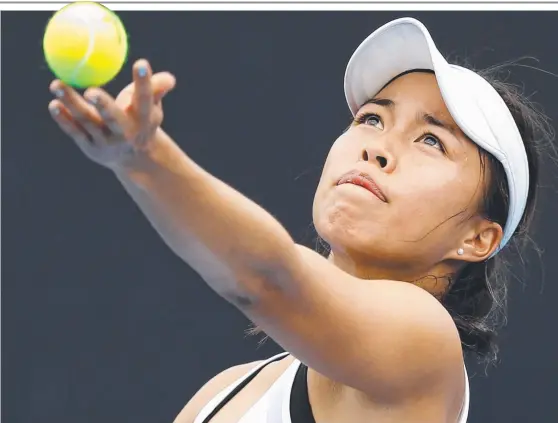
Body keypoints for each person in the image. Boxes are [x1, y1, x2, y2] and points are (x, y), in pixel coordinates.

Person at [47, 17, 552, 423]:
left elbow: (267, 280)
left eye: (430, 141)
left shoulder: (425, 348)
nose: (377, 148)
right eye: (372, 118)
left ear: (477, 238)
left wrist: (147, 159)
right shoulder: (224, 396)